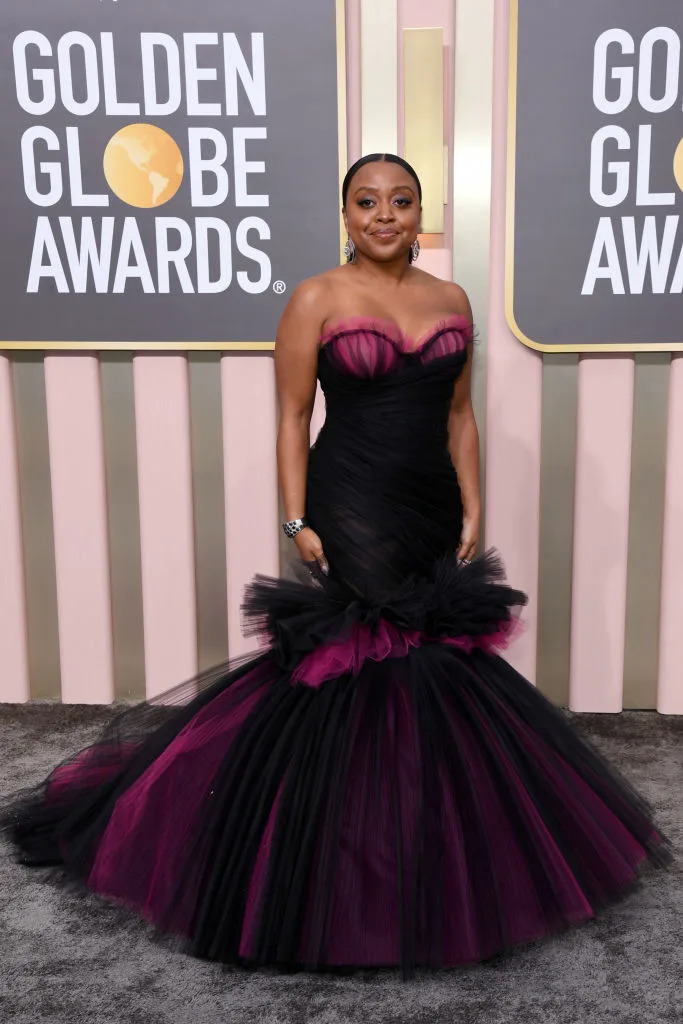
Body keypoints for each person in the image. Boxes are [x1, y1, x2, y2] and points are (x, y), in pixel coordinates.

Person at [1, 154, 673, 981]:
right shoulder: (315, 297)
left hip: (427, 497)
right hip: (349, 496)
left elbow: (459, 413)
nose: (383, 215)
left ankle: (427, 844)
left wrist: (473, 504)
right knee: (357, 656)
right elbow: (290, 416)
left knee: (432, 658)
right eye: (366, 202)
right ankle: (337, 862)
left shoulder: (451, 299)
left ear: (420, 212)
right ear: (345, 214)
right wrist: (297, 519)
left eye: (400, 201)